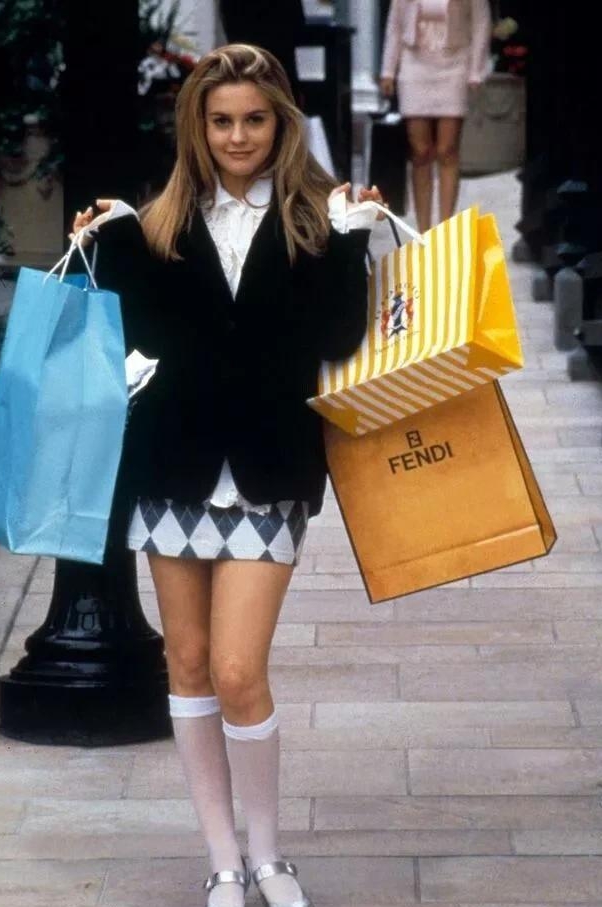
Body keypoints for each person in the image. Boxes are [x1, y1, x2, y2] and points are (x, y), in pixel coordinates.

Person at [72, 43, 383, 907]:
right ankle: (222, 861)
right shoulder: (156, 223)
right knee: (188, 662)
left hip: (268, 470)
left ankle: (269, 856)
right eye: (220, 121)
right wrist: (103, 240)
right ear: (196, 128)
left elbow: (337, 338)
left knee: (239, 669)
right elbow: (133, 334)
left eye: (253, 120)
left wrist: (353, 240)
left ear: (281, 124)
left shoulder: (318, 219)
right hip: (170, 468)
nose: (237, 136)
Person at [379, 0, 492, 232]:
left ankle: (445, 229)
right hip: (413, 64)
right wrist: (388, 70)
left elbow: (481, 23)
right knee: (420, 152)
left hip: (455, 64)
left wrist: (476, 70)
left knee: (447, 150)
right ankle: (423, 231)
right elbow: (395, 25)